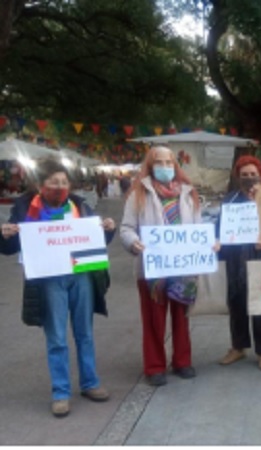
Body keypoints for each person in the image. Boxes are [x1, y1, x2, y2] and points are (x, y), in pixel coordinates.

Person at [0, 158, 116, 418]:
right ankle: (60, 392)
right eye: (54, 182)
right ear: (40, 185)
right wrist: (4, 234)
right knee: (56, 338)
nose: (60, 187)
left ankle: (90, 383)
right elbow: (8, 247)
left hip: (81, 276)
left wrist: (109, 229)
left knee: (84, 332)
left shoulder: (79, 204)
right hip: (49, 280)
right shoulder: (24, 208)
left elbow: (96, 238)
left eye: (64, 182)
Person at [120, 146, 202, 386]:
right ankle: (155, 366)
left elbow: (197, 228)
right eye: (159, 162)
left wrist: (208, 244)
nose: (165, 167)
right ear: (150, 164)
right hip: (152, 269)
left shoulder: (189, 193)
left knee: (181, 316)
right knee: (154, 319)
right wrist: (133, 243)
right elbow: (126, 228)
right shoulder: (138, 194)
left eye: (169, 162)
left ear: (175, 165)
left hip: (182, 267)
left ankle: (182, 361)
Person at [216, 155, 261, 371]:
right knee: (237, 305)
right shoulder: (229, 201)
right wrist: (216, 243)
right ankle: (238, 347)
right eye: (244, 175)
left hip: (260, 258)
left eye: (253, 174)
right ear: (237, 177)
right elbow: (219, 230)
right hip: (235, 261)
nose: (249, 178)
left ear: (260, 175)